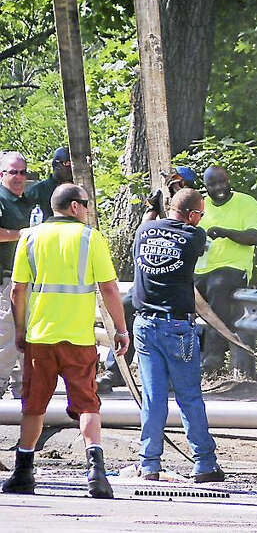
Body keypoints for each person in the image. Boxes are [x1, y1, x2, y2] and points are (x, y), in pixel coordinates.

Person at [1, 184, 129, 498]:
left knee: (33, 405)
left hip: (40, 337)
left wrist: (21, 330)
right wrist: (121, 330)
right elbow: (109, 288)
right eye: (85, 203)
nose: (87, 209)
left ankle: (23, 472)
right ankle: (96, 474)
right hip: (78, 338)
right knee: (88, 404)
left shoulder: (30, 237)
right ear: (74, 206)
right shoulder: (90, 238)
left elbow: (18, 290)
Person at [132, 187, 224, 482]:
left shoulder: (143, 231)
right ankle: (204, 463)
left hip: (144, 325)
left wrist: (152, 208)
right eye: (201, 214)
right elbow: (190, 237)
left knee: (153, 397)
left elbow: (149, 222)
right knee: (189, 396)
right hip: (177, 327)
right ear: (193, 215)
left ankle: (149, 464)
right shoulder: (194, 236)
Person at [96, 166, 198, 393]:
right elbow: (145, 234)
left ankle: (172, 373)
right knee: (127, 306)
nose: (174, 189)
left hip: (184, 279)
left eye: (178, 185)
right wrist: (153, 209)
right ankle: (116, 370)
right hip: (156, 277)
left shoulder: (195, 211)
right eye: (172, 185)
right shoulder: (166, 210)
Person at [194, 166, 257, 373]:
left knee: (218, 287)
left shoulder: (246, 202)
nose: (219, 188)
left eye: (222, 182)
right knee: (178, 296)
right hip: (201, 270)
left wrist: (226, 233)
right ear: (205, 187)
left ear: (228, 181)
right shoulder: (201, 205)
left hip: (234, 269)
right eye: (212, 184)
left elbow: (256, 237)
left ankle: (213, 359)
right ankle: (179, 362)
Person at [0, 152, 34, 399]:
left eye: (23, 172)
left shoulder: (25, 201)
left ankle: (24, 388)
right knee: (7, 334)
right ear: (1, 174)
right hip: (6, 280)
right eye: (13, 172)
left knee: (27, 334)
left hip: (27, 279)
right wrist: (21, 234)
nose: (19, 177)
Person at [25, 146, 73, 223]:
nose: (71, 168)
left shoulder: (80, 190)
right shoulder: (37, 191)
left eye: (74, 164)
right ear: (55, 165)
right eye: (67, 163)